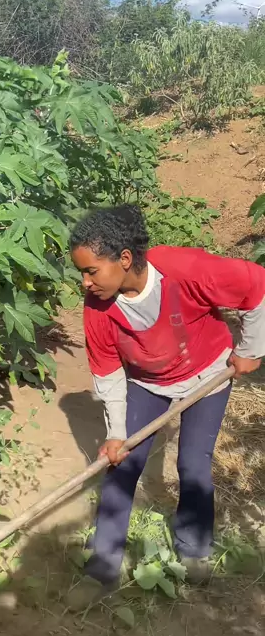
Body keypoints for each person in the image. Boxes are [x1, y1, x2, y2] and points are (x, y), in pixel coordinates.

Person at [70, 204, 265, 587]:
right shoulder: (98, 308)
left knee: (193, 464)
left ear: (125, 259)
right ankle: (104, 563)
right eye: (81, 273)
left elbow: (256, 285)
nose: (85, 283)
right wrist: (116, 433)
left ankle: (194, 549)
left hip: (208, 373)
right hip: (148, 382)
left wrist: (250, 350)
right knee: (123, 464)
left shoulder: (183, 269)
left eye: (91, 271)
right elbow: (108, 372)